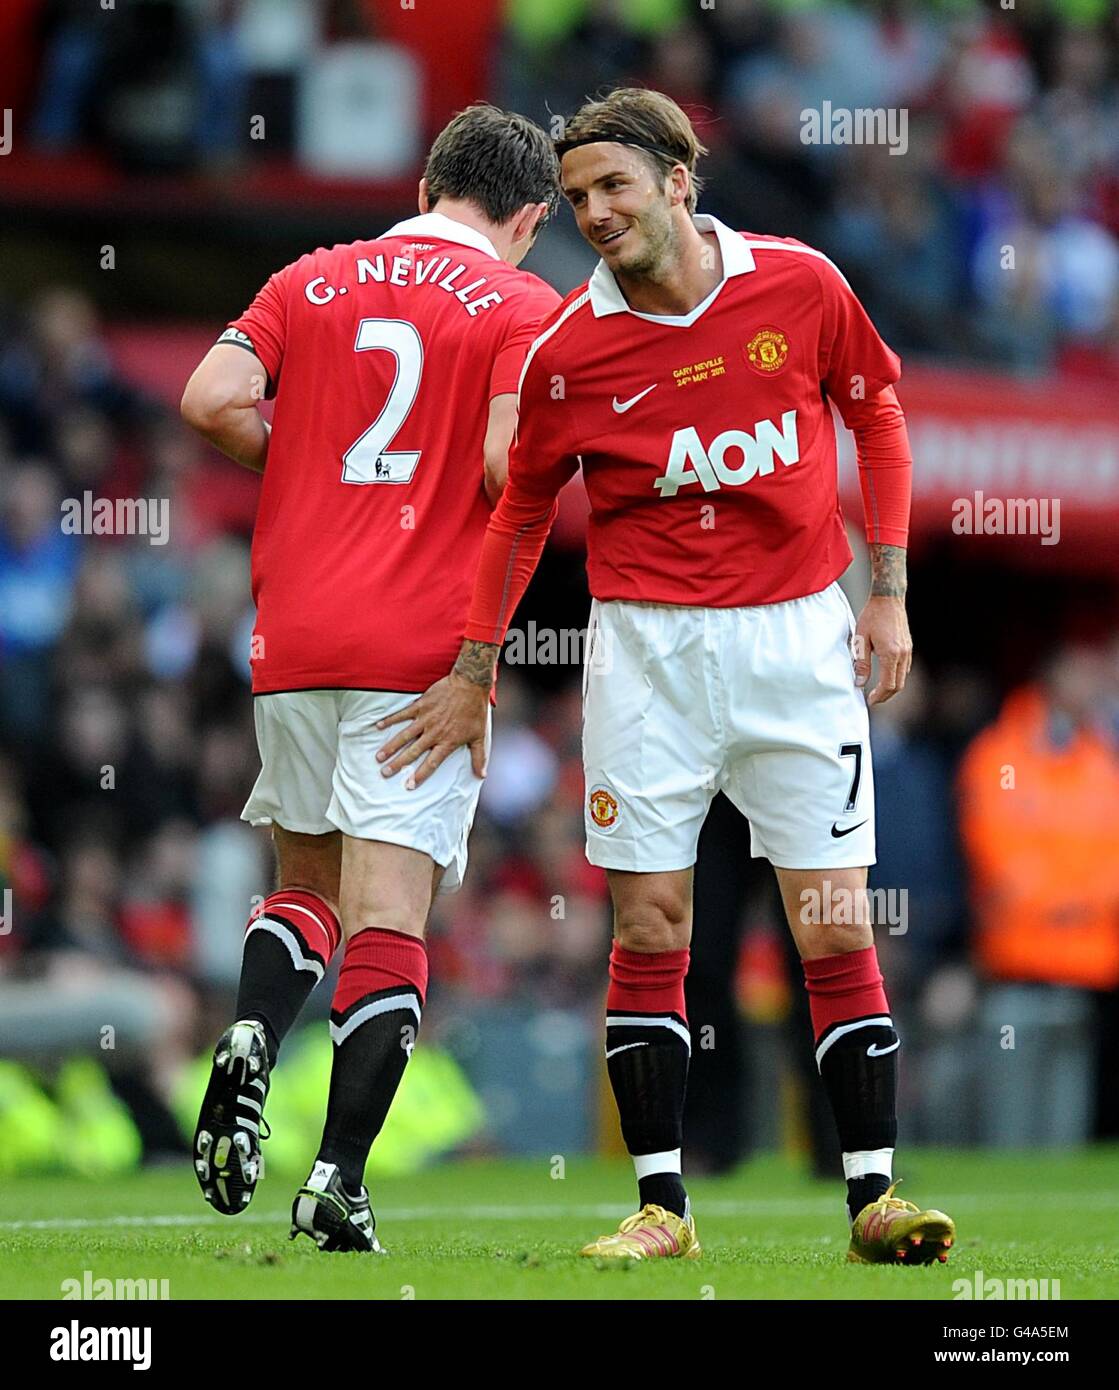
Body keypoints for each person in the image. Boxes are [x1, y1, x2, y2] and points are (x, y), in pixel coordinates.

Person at [377, 88, 955, 1264]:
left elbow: (877, 414)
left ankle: (875, 1201)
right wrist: (474, 668)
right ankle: (661, 1208)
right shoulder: (567, 350)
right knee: (651, 919)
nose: (592, 212)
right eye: (576, 195)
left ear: (679, 182)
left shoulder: (799, 283)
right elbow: (523, 506)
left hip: (798, 637)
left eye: (613, 188)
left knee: (834, 920)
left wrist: (888, 588)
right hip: (646, 650)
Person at [180, 103, 561, 1252]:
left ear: (434, 180)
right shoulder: (521, 304)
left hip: (295, 638)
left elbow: (208, 400)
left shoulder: (314, 275)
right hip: (421, 651)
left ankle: (251, 1031)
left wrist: (300, 464)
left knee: (303, 885)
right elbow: (504, 460)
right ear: (529, 217)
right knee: (388, 914)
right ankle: (337, 1178)